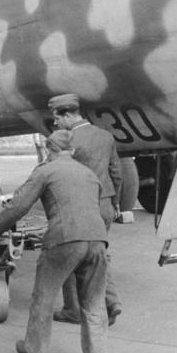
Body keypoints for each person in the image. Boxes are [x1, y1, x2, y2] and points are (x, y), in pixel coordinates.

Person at [0, 130, 108, 353]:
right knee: (94, 300)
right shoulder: (89, 174)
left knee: (44, 295)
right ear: (72, 151)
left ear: (48, 150)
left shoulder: (45, 170)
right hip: (97, 239)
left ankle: (35, 350)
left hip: (64, 239)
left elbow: (20, 204)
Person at [48, 93, 123, 326]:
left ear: (68, 115)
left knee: (69, 255)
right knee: (98, 255)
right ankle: (112, 302)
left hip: (79, 206)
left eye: (57, 118)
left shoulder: (65, 141)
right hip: (105, 204)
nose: (55, 124)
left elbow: (55, 173)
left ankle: (72, 310)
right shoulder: (106, 136)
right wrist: (116, 203)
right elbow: (117, 173)